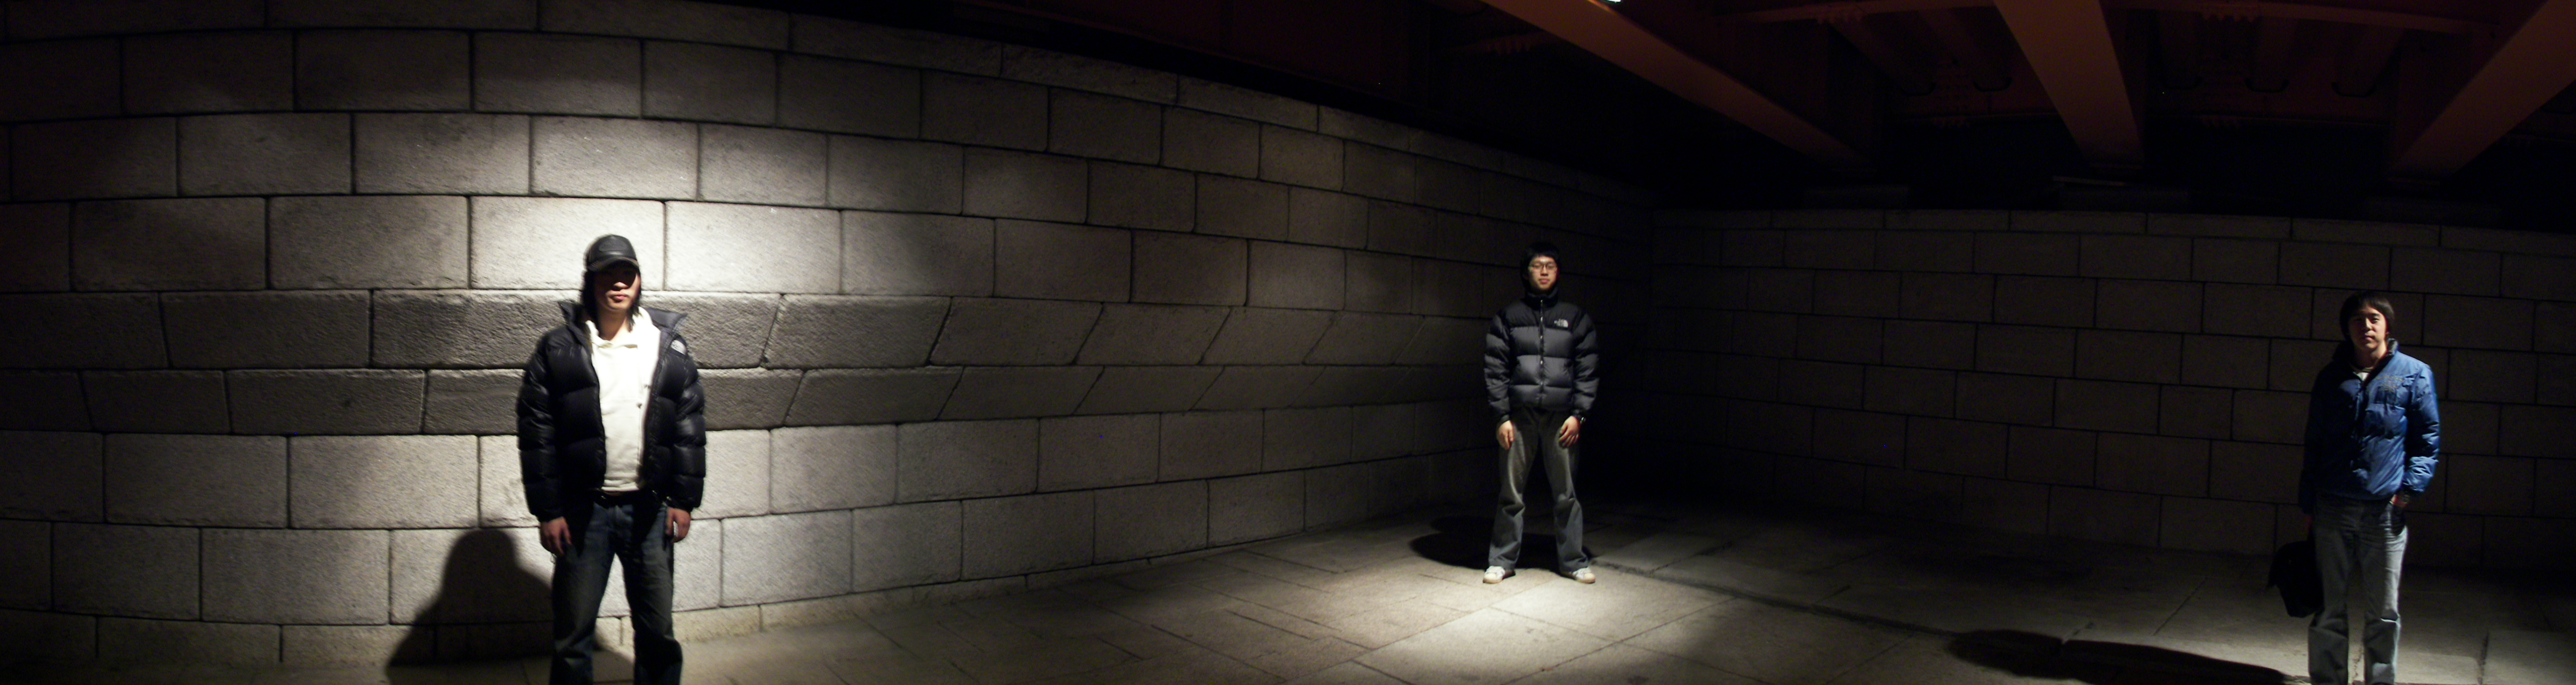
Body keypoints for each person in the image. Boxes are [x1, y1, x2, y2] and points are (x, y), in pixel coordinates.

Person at [518, 234, 706, 685]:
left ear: (639, 281)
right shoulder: (558, 347)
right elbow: (537, 432)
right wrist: (549, 511)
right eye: (608, 274)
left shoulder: (667, 345)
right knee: (573, 635)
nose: (619, 284)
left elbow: (689, 427)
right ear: (590, 281)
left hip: (651, 510)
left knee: (658, 631)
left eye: (628, 274)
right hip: (584, 513)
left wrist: (683, 500)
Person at [2300, 290, 2439, 685]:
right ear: (2346, 329)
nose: (2366, 326)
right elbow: (2314, 442)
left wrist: (2406, 492)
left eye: (2374, 318)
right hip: (2333, 507)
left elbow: (2427, 440)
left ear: (2387, 326)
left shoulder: (2414, 374)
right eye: (2358, 320)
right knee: (2329, 607)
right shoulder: (2331, 376)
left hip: (2384, 512)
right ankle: (2328, 680)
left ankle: (2380, 680)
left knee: (2384, 612)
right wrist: (2309, 503)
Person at [1481, 241, 1600, 584]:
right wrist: (1502, 417)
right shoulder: (1509, 317)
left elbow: (1588, 370)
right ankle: (1502, 560)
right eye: (1537, 266)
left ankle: (1573, 561)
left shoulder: (1576, 318)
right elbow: (1495, 370)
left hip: (1562, 418)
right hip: (1519, 418)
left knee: (1566, 494)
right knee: (1511, 493)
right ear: (1526, 273)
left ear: (1558, 272)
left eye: (1550, 265)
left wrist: (1579, 415)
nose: (1544, 271)